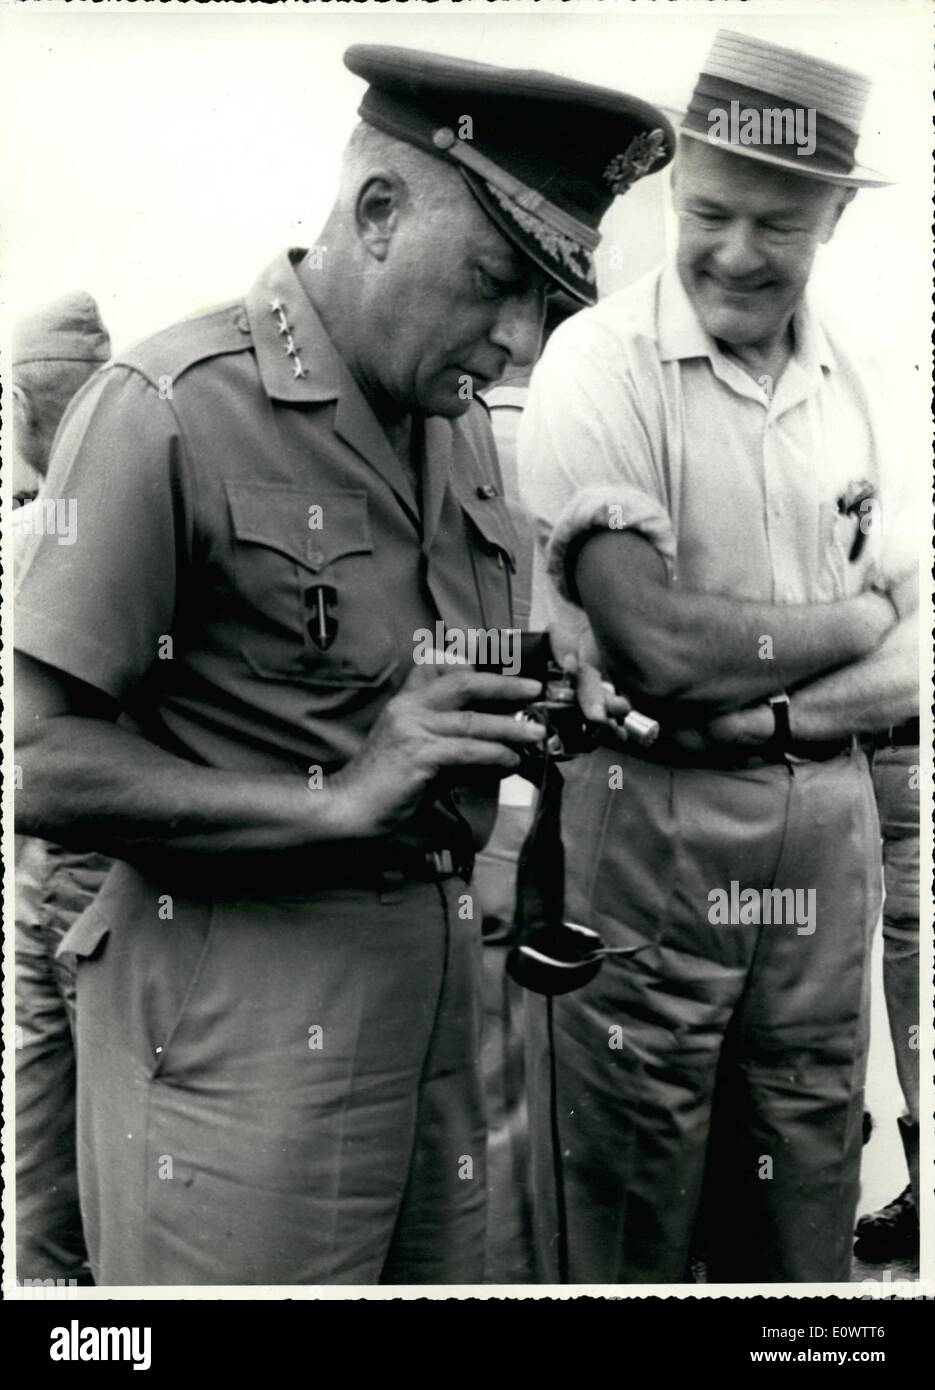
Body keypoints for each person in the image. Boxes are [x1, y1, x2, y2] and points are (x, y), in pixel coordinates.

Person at [14, 43, 673, 1286]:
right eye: (494, 282)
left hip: (432, 1018)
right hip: (233, 1037)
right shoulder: (165, 406)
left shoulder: (464, 432)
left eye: (549, 300)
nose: (520, 340)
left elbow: (403, 672)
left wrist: (536, 691)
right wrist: (346, 790)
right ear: (376, 214)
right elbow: (37, 763)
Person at [518, 29, 917, 1283]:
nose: (736, 254)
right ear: (673, 183)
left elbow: (923, 661)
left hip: (820, 833)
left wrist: (778, 718)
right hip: (651, 832)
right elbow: (660, 653)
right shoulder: (600, 362)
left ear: (829, 226)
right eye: (711, 212)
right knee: (627, 1187)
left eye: (778, 226)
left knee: (798, 1178)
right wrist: (852, 624)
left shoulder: (860, 384)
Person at [11, 293, 112, 1286]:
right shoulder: (92, 528)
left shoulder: (32, 531)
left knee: (46, 1105)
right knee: (99, 1121)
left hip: (51, 860)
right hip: (89, 862)